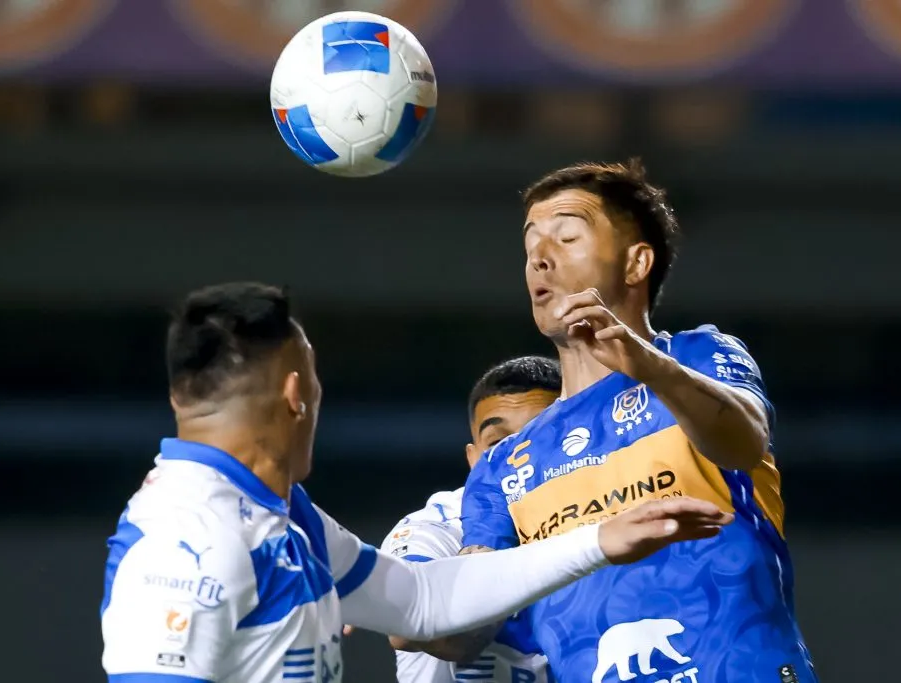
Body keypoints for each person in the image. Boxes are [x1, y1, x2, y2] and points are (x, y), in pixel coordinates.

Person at [98, 282, 732, 683]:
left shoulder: (285, 518)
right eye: (316, 382)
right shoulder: (186, 539)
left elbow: (420, 601)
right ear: (297, 394)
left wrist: (598, 539)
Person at [459, 161, 818, 683]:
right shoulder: (502, 467)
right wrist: (376, 590)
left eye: (566, 236)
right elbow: (457, 627)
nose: (539, 257)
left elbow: (743, 441)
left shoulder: (698, 355)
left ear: (636, 263)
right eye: (531, 243)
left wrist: (648, 365)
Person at [381, 356, 562, 682]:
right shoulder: (436, 526)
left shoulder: (609, 518)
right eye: (498, 443)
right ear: (473, 459)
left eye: (539, 435)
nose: (517, 457)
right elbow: (413, 624)